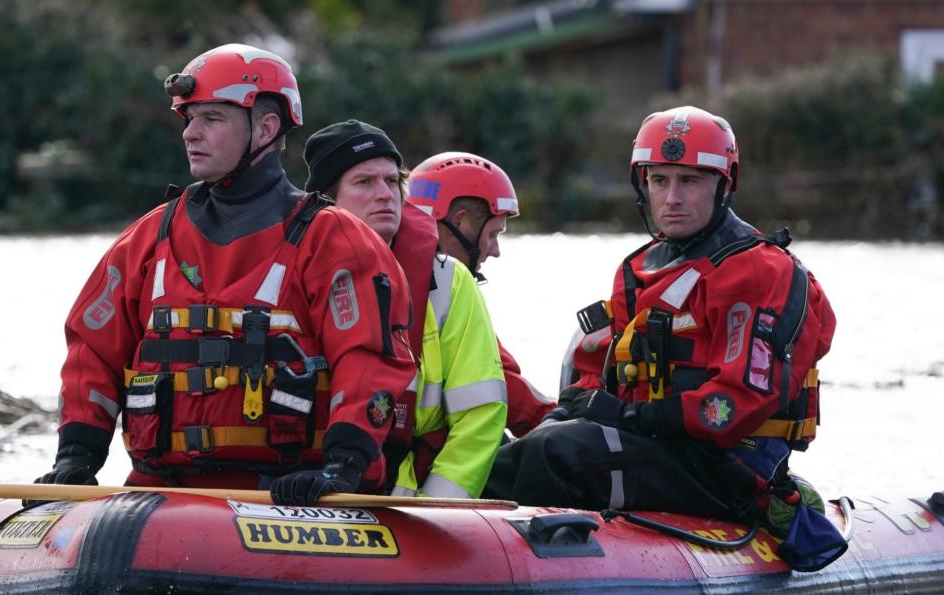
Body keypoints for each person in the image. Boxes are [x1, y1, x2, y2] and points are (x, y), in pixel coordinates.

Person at [34, 44, 416, 507]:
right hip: (161, 496)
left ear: (267, 128)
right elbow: (91, 351)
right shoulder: (148, 238)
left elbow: (369, 363)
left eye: (212, 119)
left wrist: (341, 468)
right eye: (188, 119)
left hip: (289, 496)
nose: (191, 134)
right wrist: (77, 457)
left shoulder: (335, 241)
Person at [485, 106, 838, 564]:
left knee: (558, 452)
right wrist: (575, 405)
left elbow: (727, 409)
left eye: (689, 181)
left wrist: (626, 418)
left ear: (723, 184)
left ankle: (490, 556)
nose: (672, 198)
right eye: (659, 181)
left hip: (725, 467)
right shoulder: (638, 269)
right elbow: (603, 371)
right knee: (526, 447)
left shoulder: (758, 271)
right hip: (658, 447)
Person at [302, 121, 506, 498]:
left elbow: (480, 414)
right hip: (302, 488)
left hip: (405, 495)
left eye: (393, 181)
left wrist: (439, 507)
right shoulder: (295, 272)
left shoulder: (448, 281)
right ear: (327, 200)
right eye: (365, 183)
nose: (386, 195)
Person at [407, 153, 557, 439]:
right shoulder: (448, 294)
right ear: (460, 223)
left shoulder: (377, 271)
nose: (495, 250)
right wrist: (562, 424)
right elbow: (505, 384)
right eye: (492, 234)